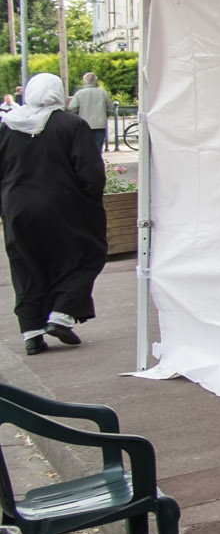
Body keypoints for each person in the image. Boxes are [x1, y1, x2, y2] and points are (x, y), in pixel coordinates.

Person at [0, 73, 106, 355]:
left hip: (18, 207)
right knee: (84, 254)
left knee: (26, 264)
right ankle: (62, 314)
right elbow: (91, 173)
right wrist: (90, 201)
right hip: (64, 206)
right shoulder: (72, 125)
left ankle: (32, 332)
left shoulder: (8, 126)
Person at [68, 73, 111, 153]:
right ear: (96, 80)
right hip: (99, 125)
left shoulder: (79, 94)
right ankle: (97, 164)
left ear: (84, 81)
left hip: (84, 125)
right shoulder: (103, 93)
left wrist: (77, 117)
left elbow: (72, 108)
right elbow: (110, 108)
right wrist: (105, 115)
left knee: (85, 149)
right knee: (98, 150)